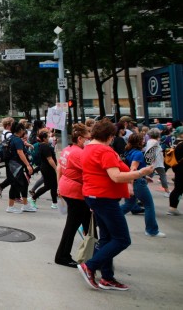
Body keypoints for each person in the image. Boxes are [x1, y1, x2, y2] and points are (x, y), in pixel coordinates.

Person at [77, 119, 155, 291]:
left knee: (107, 238)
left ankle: (107, 277)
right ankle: (90, 266)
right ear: (110, 136)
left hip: (94, 195)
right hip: (104, 197)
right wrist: (140, 172)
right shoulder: (105, 150)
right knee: (121, 239)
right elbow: (116, 176)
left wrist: (134, 175)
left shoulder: (88, 148)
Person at [55, 123, 93, 268]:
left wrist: (59, 185)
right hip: (76, 192)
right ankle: (63, 256)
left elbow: (60, 167)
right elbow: (89, 172)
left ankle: (92, 255)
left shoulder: (68, 150)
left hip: (69, 189)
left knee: (85, 224)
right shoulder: (79, 153)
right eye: (87, 138)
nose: (89, 140)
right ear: (80, 139)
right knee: (74, 226)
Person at [120, 132, 165, 238]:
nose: (144, 141)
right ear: (140, 142)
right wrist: (132, 182)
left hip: (135, 180)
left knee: (129, 205)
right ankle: (151, 230)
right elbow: (134, 168)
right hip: (138, 182)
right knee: (149, 205)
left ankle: (108, 220)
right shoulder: (138, 154)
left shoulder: (129, 152)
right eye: (143, 139)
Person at [5, 122, 35, 214]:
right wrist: (28, 165)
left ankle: (25, 205)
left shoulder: (11, 138)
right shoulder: (17, 140)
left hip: (12, 165)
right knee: (15, 185)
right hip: (16, 166)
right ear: (21, 130)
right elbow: (20, 152)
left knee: (24, 183)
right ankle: (10, 206)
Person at [30, 131, 58, 209]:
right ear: (44, 138)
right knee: (48, 186)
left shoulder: (43, 145)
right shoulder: (45, 146)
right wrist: (56, 168)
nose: (49, 138)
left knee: (54, 185)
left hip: (47, 167)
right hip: (47, 168)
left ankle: (54, 203)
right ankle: (33, 198)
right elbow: (49, 158)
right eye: (48, 137)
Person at [144, 128, 169, 197]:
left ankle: (141, 189)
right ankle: (167, 191)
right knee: (163, 176)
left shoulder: (150, 141)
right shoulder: (154, 142)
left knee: (148, 176)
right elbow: (151, 152)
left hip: (153, 162)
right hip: (157, 162)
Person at [167, 126, 183, 216]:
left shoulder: (176, 144)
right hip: (181, 169)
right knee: (178, 189)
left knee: (178, 189)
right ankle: (172, 208)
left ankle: (172, 208)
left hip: (177, 169)